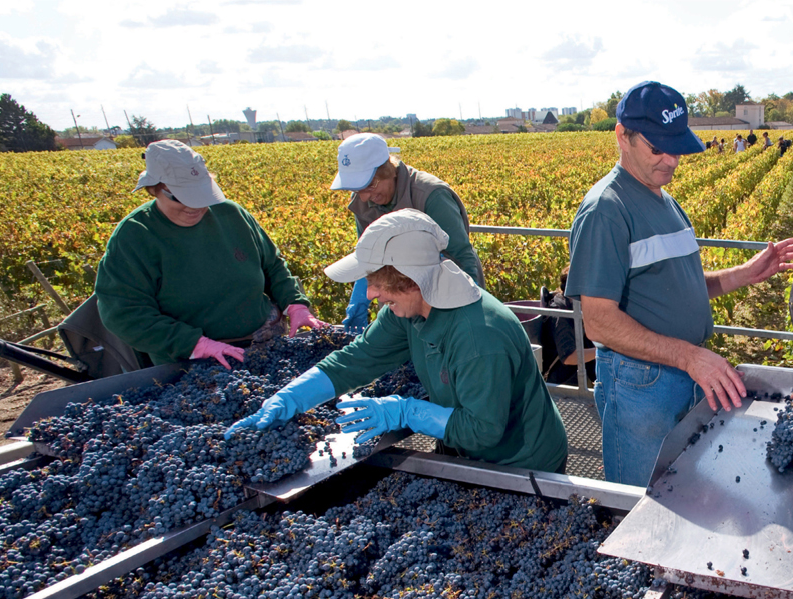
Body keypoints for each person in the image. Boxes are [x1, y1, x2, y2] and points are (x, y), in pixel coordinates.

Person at [565, 81, 793, 486]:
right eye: (657, 148)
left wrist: (744, 273)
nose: (671, 161)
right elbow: (599, 322)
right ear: (622, 136)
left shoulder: (664, 199)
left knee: (680, 492)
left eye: (676, 148)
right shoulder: (607, 210)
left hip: (679, 375)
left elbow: (680, 286)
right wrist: (689, 357)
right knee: (642, 500)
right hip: (641, 385)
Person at [228, 209, 568, 473]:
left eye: (379, 283)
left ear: (413, 279)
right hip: (469, 450)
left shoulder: (478, 337)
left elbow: (482, 431)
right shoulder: (408, 309)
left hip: (522, 460)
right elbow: (357, 359)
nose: (372, 294)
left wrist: (406, 411)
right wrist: (290, 398)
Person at [95, 140, 325, 369]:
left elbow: (273, 266)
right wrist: (196, 344)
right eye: (180, 197)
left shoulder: (231, 214)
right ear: (154, 188)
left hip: (264, 341)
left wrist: (295, 304)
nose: (194, 206)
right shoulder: (134, 236)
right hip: (191, 360)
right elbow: (124, 314)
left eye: (201, 195)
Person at [332, 133, 483, 332]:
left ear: (388, 170)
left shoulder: (431, 195)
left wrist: (470, 313)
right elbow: (369, 254)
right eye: (358, 189)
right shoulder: (362, 199)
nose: (365, 196)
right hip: (397, 299)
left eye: (370, 185)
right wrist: (360, 299)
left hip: (442, 293)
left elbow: (461, 256)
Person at [541, 267, 596, 386]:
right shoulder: (561, 313)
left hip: (573, 378)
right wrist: (605, 352)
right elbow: (569, 357)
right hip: (559, 382)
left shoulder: (576, 307)